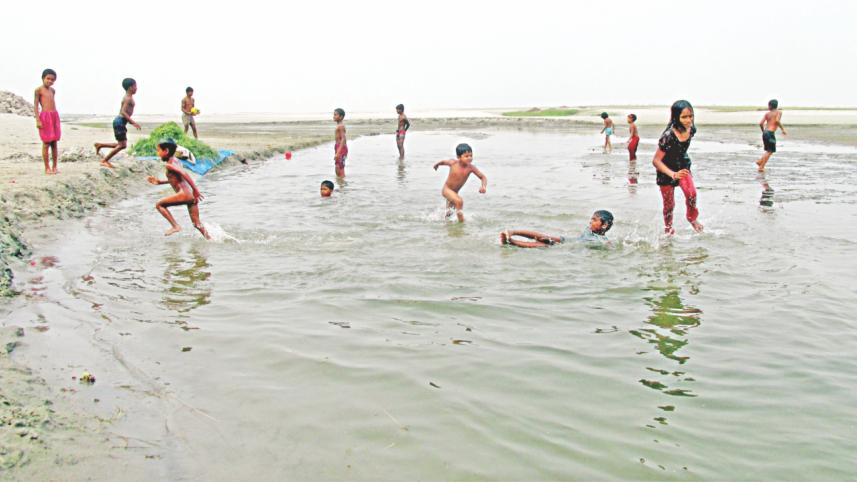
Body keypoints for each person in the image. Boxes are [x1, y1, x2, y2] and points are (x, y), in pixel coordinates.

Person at [652, 100, 703, 235]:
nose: (688, 120)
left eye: (690, 116)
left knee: (691, 195)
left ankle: (691, 218)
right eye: (684, 117)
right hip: (666, 171)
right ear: (676, 117)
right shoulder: (668, 136)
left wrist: (679, 171)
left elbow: (682, 150)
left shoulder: (691, 129)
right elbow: (656, 161)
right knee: (669, 206)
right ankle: (668, 228)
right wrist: (672, 174)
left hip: (682, 168)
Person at [146, 138, 211, 239]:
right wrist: (160, 182)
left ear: (166, 151)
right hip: (191, 196)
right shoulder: (176, 161)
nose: (157, 153)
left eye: (159, 150)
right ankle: (210, 239)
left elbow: (184, 173)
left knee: (159, 205)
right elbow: (177, 179)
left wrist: (196, 190)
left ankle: (175, 226)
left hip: (185, 194)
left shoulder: (169, 165)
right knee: (197, 224)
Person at [432, 143, 487, 222]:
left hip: (454, 193)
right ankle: (462, 223)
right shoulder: (453, 163)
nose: (469, 158)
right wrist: (437, 164)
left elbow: (483, 177)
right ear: (458, 157)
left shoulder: (471, 168)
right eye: (466, 156)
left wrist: (483, 186)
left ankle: (446, 224)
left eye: (471, 156)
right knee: (459, 201)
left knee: (449, 213)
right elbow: (444, 162)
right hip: (446, 190)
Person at [500, 210, 614, 247]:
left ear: (604, 225)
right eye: (591, 219)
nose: (590, 222)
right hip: (566, 240)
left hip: (568, 246)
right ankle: (512, 232)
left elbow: (607, 244)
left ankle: (511, 242)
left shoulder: (602, 241)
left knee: (543, 244)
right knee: (543, 237)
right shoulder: (589, 230)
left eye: (594, 220)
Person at [95, 78, 141, 169]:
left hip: (121, 122)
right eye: (135, 86)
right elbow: (123, 112)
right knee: (122, 145)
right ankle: (104, 160)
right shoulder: (127, 98)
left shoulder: (129, 97)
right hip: (119, 121)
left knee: (121, 144)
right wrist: (133, 122)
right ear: (130, 87)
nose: (136, 88)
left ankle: (100, 145)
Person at [34, 68, 61, 175]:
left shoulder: (53, 90)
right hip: (45, 116)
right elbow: (36, 106)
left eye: (52, 80)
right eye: (48, 78)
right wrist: (38, 120)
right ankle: (47, 168)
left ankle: (55, 167)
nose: (50, 81)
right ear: (43, 78)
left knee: (54, 142)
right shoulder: (38, 90)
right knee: (46, 143)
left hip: (54, 116)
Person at [756, 99, 787, 172]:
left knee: (768, 150)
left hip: (765, 133)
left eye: (768, 105)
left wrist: (763, 131)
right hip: (770, 133)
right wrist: (783, 129)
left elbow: (761, 123)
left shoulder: (767, 114)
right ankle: (761, 167)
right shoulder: (779, 112)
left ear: (770, 106)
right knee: (770, 151)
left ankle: (760, 161)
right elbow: (777, 121)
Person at [333, 108, 348, 177]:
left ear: (341, 117)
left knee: (340, 168)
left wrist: (338, 153)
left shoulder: (341, 126)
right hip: (338, 147)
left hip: (341, 148)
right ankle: (341, 184)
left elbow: (343, 139)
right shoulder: (338, 125)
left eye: (335, 115)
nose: (334, 116)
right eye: (334, 114)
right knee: (337, 168)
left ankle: (342, 185)